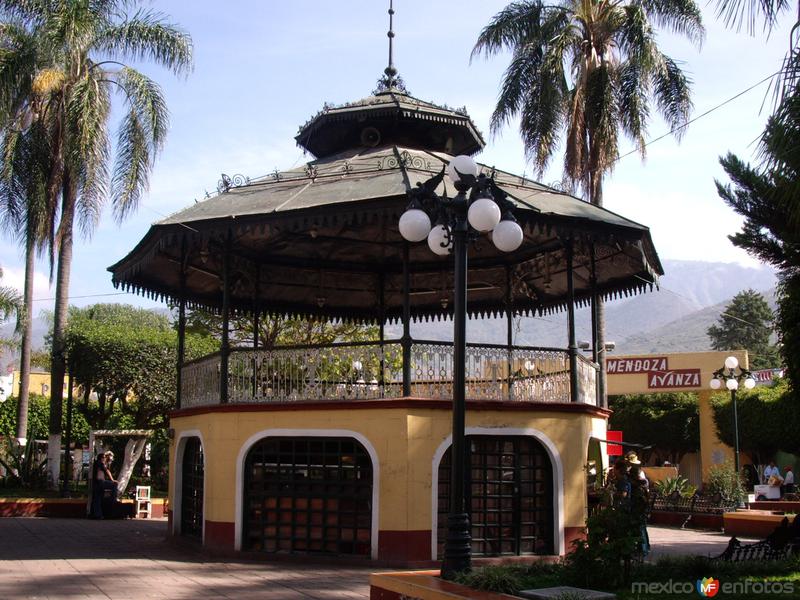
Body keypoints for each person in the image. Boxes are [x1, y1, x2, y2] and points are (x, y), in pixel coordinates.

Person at [89, 451, 118, 519]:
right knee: (114, 485)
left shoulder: (98, 463)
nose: (105, 459)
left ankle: (98, 515)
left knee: (97, 499)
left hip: (97, 483)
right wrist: (112, 480)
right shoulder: (100, 463)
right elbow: (107, 471)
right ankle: (113, 499)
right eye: (104, 458)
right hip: (100, 482)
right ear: (101, 458)